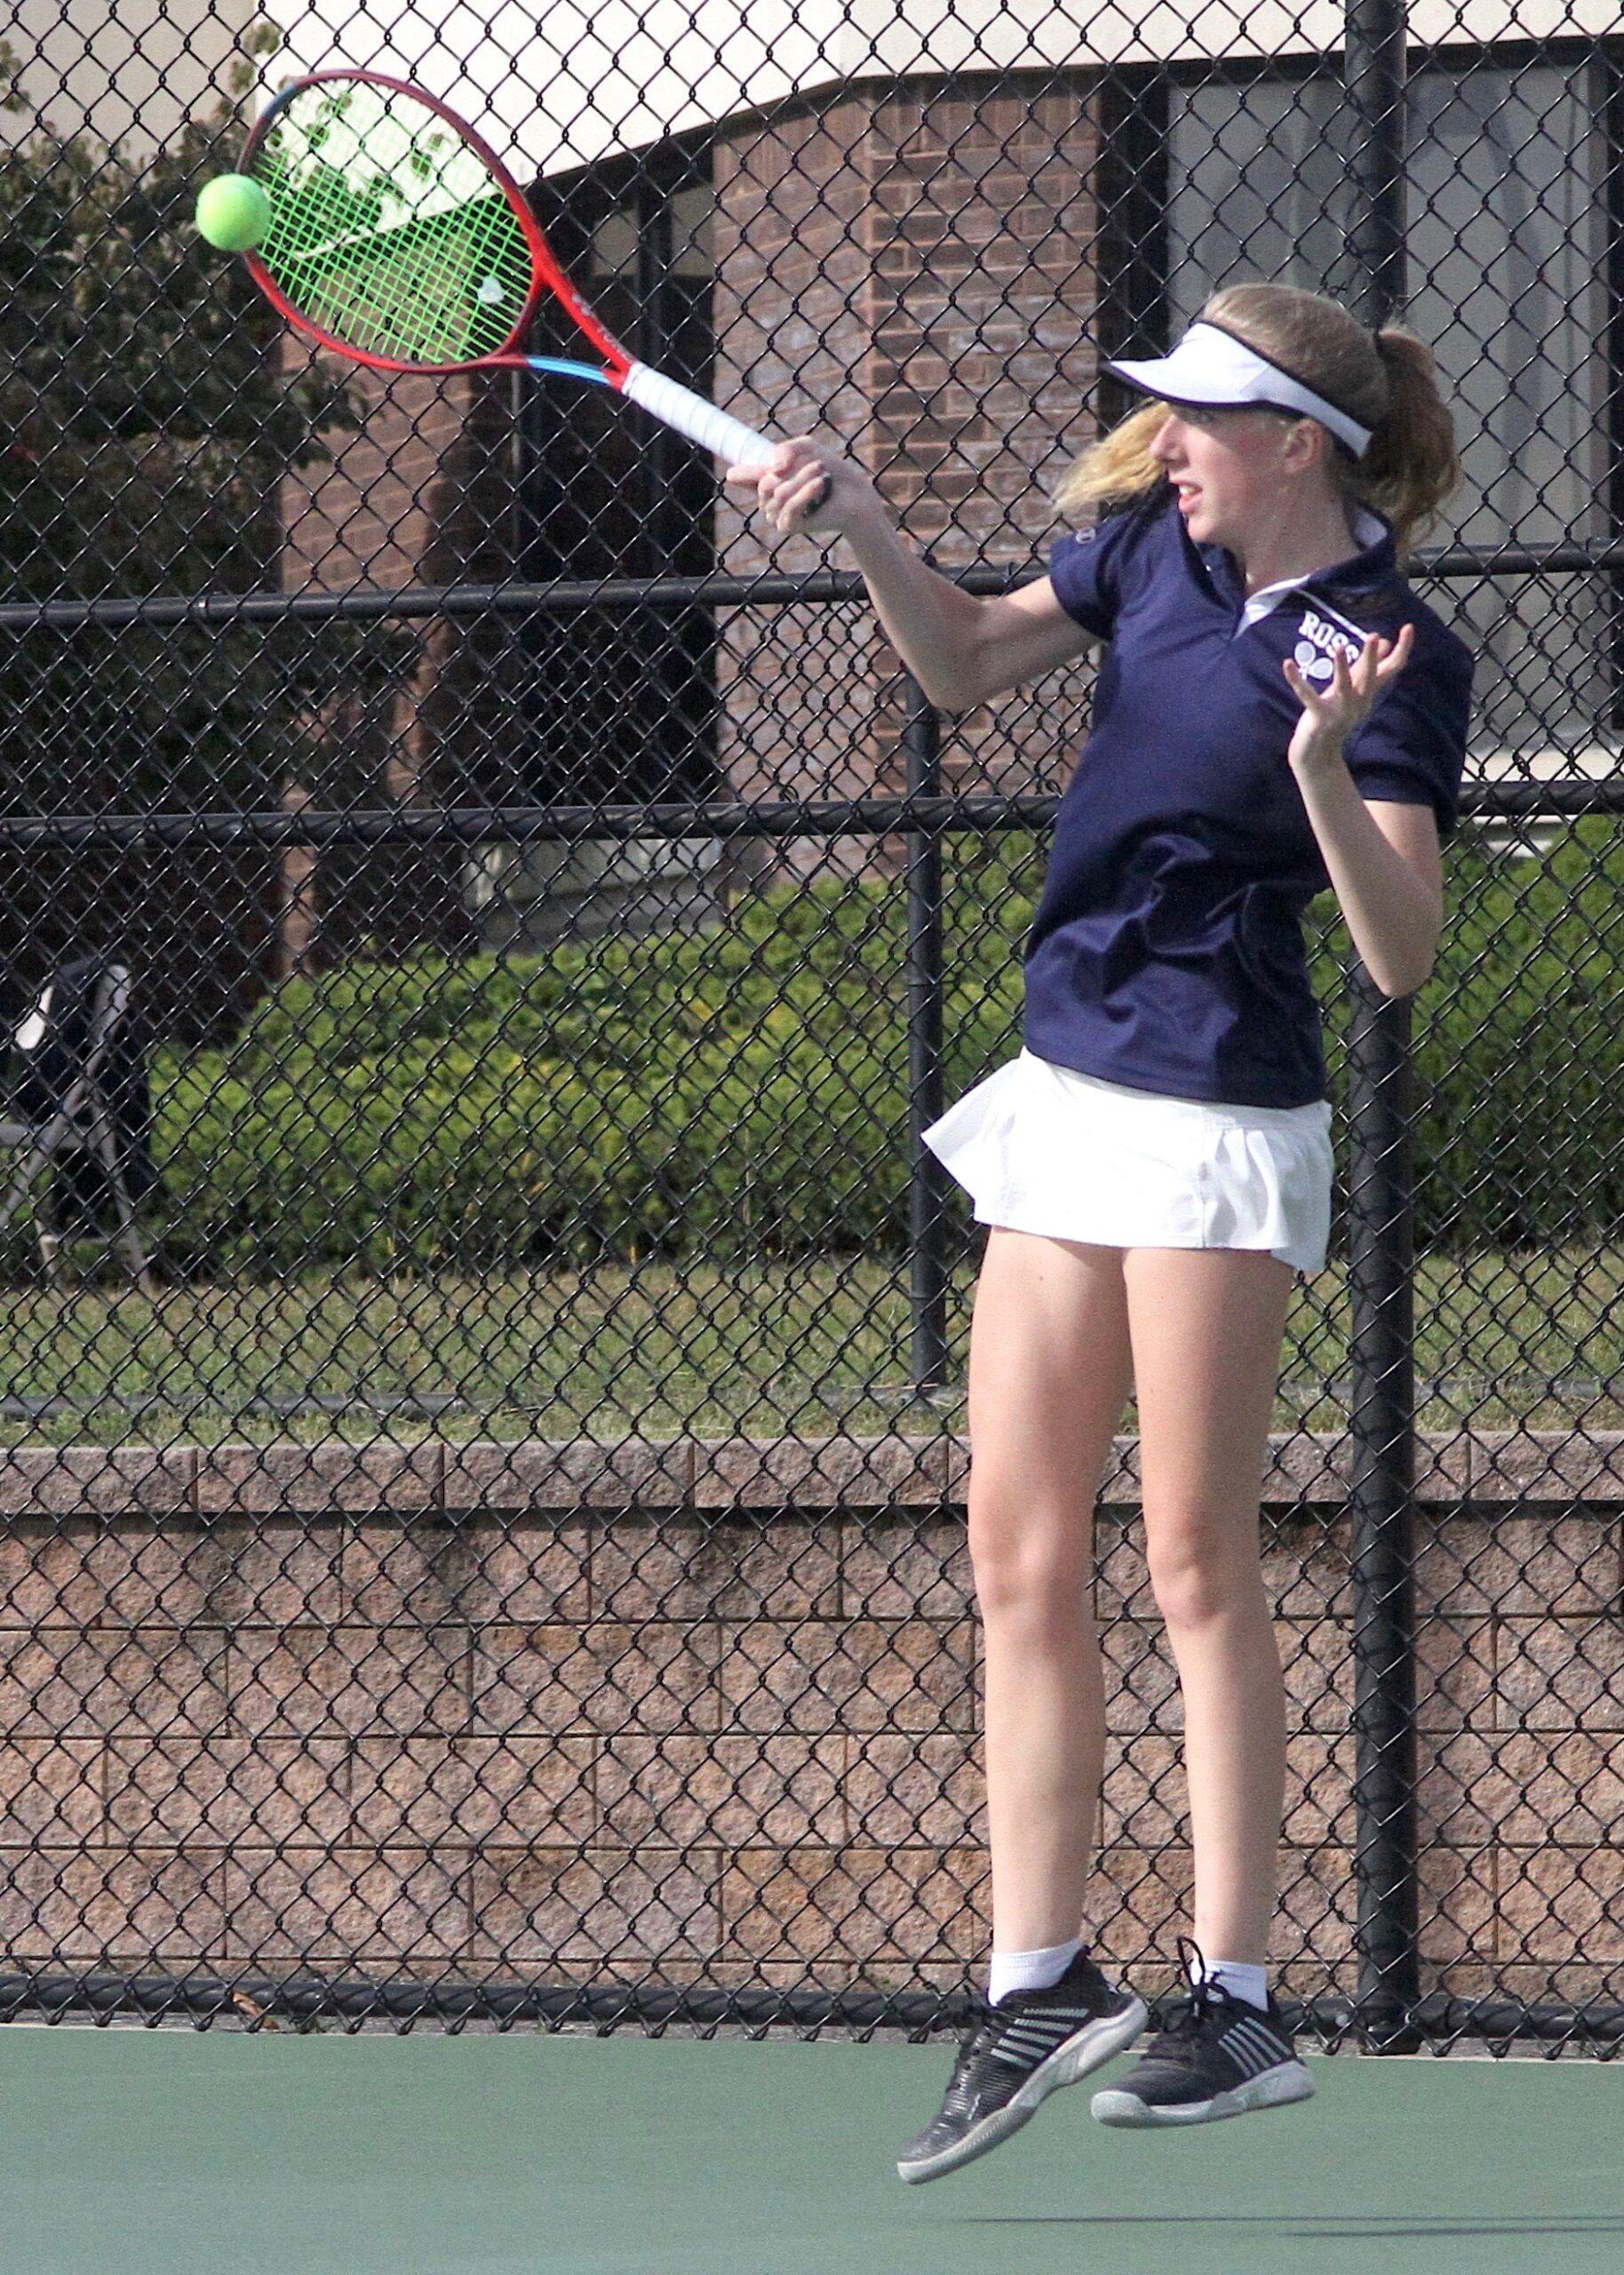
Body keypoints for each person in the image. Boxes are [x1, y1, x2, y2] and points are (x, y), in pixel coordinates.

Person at [729, 282, 1473, 2181]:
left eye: (1198, 421)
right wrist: (871, 525)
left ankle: (1234, 1994)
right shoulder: (1149, 549)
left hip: (1218, 1104)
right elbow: (968, 661)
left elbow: (1397, 957)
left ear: (1294, 441)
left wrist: (1320, 771)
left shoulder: (1391, 642)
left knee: (1194, 1557)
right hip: (1067, 1077)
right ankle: (1038, 1977)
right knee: (1011, 1537)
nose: (1163, 444)